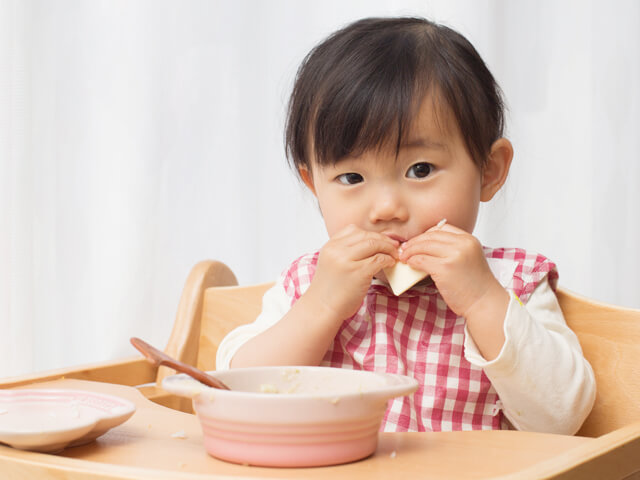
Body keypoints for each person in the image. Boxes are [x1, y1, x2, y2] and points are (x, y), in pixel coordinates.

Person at [216, 17, 596, 434]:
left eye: (420, 169)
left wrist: (482, 300)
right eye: (351, 178)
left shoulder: (512, 283)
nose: (386, 208)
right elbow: (234, 388)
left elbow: (563, 418)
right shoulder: (310, 283)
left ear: (488, 171)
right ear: (314, 186)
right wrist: (322, 306)